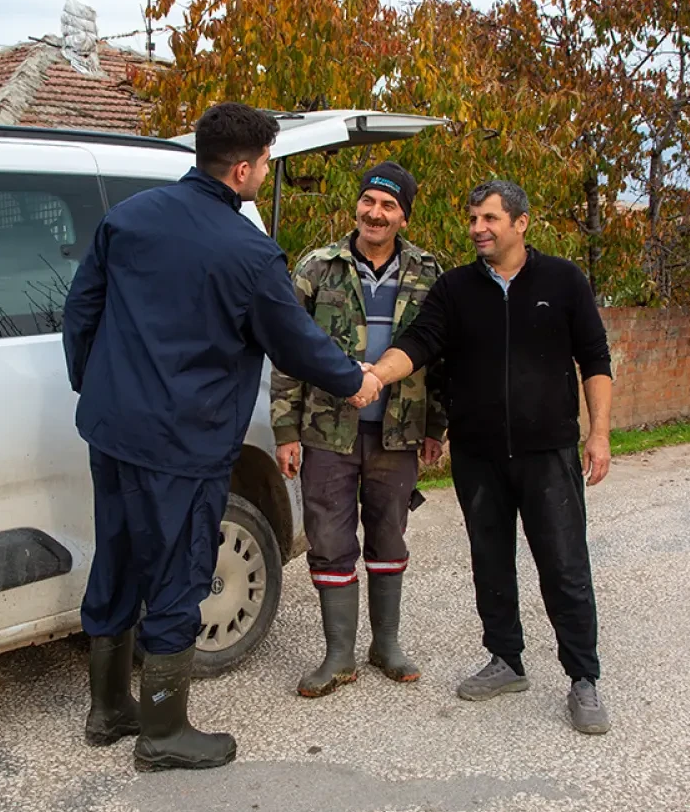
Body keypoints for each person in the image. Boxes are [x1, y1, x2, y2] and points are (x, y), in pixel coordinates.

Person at [63, 102, 381, 771]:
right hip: (184, 442)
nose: (265, 173)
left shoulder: (128, 218)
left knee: (117, 556)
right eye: (265, 163)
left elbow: (82, 307)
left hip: (112, 430)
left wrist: (94, 384)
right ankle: (162, 733)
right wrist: (353, 379)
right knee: (179, 570)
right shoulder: (249, 252)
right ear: (243, 169)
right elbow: (294, 341)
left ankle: (108, 709)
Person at [353, 180, 615, 735]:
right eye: (473, 218)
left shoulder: (563, 280)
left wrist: (599, 434)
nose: (478, 229)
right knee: (489, 561)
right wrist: (376, 375)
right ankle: (505, 660)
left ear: (520, 223)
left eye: (490, 218)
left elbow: (595, 358)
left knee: (564, 564)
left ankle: (583, 678)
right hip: (478, 455)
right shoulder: (455, 288)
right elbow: (418, 342)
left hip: (548, 453)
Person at [270, 161, 447, 698]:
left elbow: (442, 355)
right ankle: (339, 655)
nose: (376, 213)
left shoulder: (428, 272)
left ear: (403, 216)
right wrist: (285, 430)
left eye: (389, 205)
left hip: (398, 431)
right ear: (357, 206)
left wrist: (437, 425)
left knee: (389, 534)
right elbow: (287, 351)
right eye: (369, 201)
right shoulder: (317, 268)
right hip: (327, 430)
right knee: (329, 537)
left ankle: (385, 644)